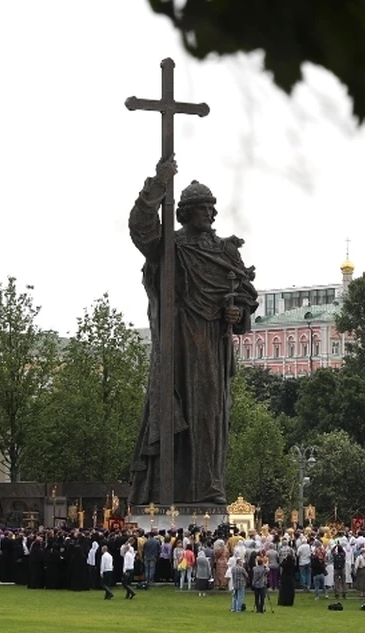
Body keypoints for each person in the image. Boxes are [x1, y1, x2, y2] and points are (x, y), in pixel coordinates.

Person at [128, 157, 259, 505]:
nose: (210, 215)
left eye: (212, 209)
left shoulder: (223, 252)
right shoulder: (171, 247)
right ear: (184, 212)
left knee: (211, 414)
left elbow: (245, 297)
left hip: (213, 346)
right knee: (177, 411)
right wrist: (157, 184)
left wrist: (237, 312)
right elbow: (141, 229)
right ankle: (166, 490)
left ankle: (207, 485)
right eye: (202, 208)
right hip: (179, 343)